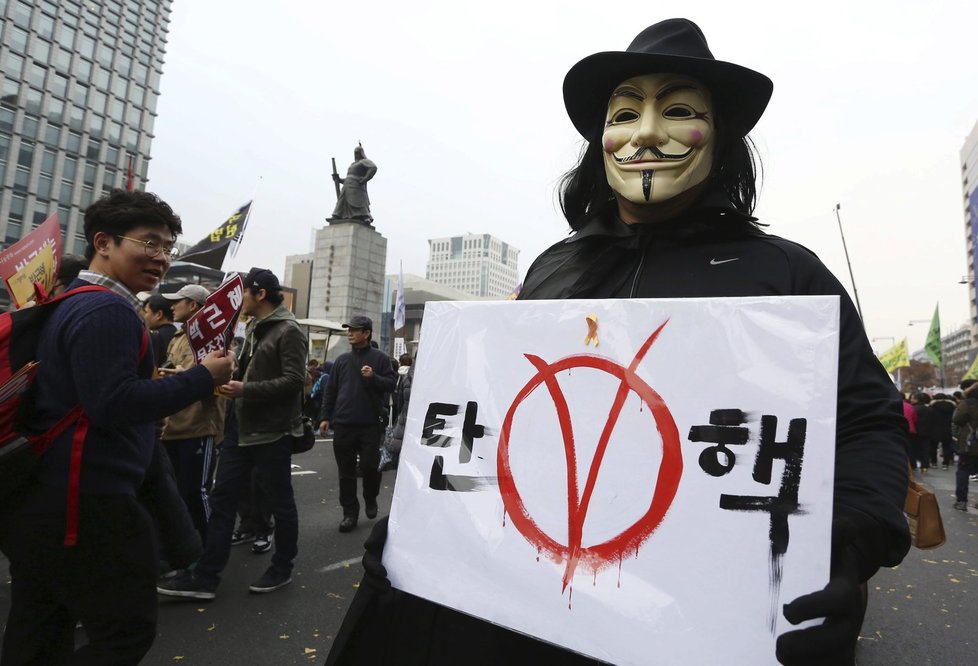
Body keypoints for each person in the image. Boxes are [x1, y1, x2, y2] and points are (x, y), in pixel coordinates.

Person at [325, 19, 910, 666]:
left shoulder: (787, 275)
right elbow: (497, 416)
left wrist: (842, 552)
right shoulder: (554, 269)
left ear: (721, 137)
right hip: (544, 613)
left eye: (679, 110)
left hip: (708, 619)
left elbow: (867, 423)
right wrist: (427, 521)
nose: (648, 131)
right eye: (626, 112)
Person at [0, 189, 234, 664]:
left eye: (168, 246)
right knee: (125, 631)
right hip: (86, 503)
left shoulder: (69, 301)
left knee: (39, 628)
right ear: (103, 242)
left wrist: (150, 408)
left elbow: (91, 398)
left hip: (42, 494)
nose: (162, 257)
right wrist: (201, 378)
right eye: (149, 242)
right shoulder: (109, 310)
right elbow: (112, 402)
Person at [157, 267, 307, 599]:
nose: (238, 305)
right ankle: (206, 576)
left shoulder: (289, 330)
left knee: (279, 502)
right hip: (240, 428)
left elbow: (296, 381)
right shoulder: (253, 327)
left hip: (271, 432)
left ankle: (282, 567)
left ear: (260, 294)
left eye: (244, 296)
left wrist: (246, 389)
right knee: (223, 498)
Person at [159, 284, 226, 542]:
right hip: (172, 427)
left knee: (196, 492)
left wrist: (178, 374)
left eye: (179, 301)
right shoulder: (178, 337)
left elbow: (213, 379)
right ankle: (184, 549)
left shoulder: (212, 338)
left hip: (198, 426)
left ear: (194, 306)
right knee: (174, 493)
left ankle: (211, 550)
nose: (172, 305)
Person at [319, 315, 396, 532]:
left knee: (370, 466)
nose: (349, 333)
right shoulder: (342, 361)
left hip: (370, 424)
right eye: (348, 330)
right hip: (343, 423)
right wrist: (325, 417)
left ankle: (370, 497)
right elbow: (330, 391)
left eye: (354, 330)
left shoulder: (380, 359)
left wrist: (374, 378)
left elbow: (391, 384)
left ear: (366, 333)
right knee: (346, 472)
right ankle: (349, 513)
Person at [330, 145, 377, 223]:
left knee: (358, 201)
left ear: (361, 153)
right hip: (347, 185)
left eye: (357, 152)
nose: (356, 154)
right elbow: (348, 177)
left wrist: (365, 178)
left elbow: (373, 168)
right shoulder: (352, 164)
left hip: (356, 185)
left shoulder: (364, 161)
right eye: (355, 152)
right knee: (341, 201)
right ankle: (337, 215)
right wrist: (339, 179)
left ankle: (365, 216)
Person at [952, 379, 978, 511]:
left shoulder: (968, 403)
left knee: (963, 471)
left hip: (970, 444)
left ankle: (962, 501)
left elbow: (957, 419)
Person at [143, 292, 179, 368]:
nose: (144, 317)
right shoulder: (179, 336)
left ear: (159, 314)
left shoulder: (153, 336)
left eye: (146, 312)